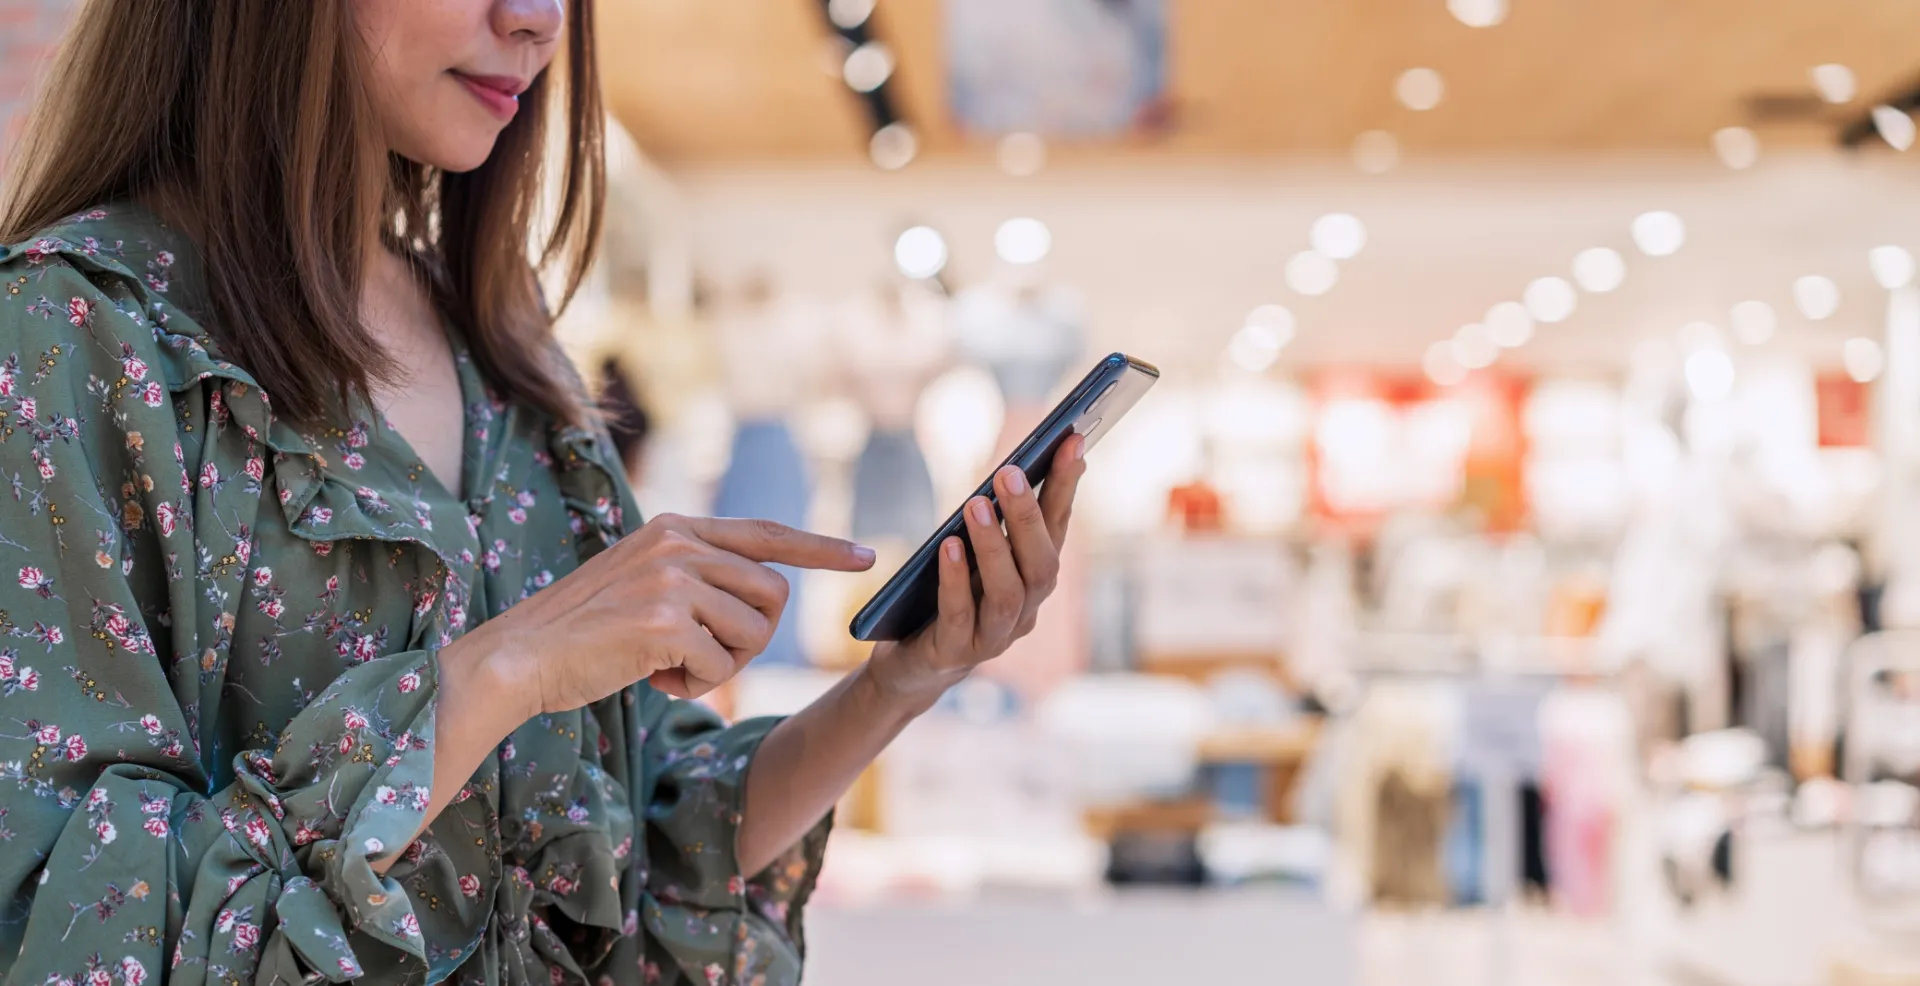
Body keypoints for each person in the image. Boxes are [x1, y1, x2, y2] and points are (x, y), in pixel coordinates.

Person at [0, 3, 1087, 985]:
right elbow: (76, 924)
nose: (538, 21)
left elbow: (647, 854)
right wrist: (502, 670)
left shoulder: (505, 354)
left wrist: (899, 681)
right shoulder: (74, 336)